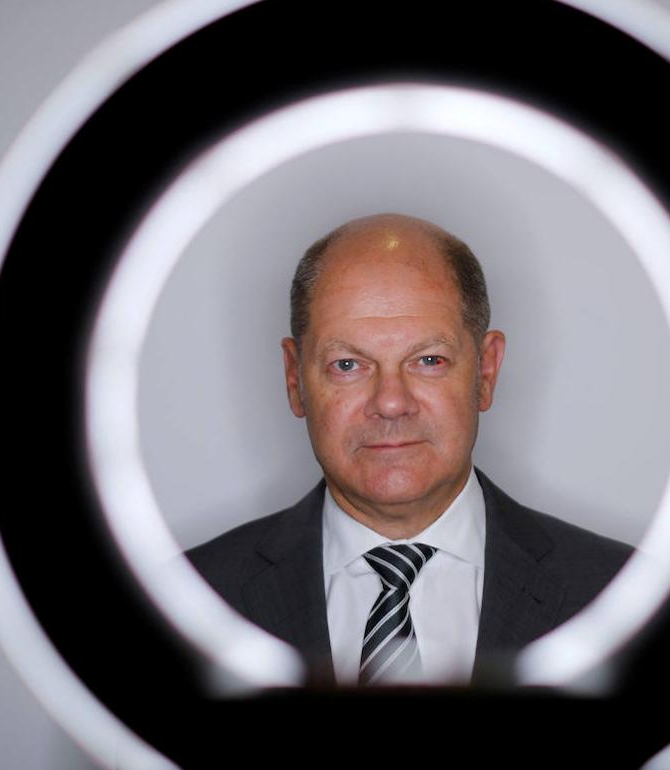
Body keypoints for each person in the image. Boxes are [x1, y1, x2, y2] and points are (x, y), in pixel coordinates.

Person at [186, 213, 632, 688]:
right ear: (295, 379)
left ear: (486, 371)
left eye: (428, 360)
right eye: (347, 364)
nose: (391, 403)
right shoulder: (189, 603)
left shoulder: (624, 599)